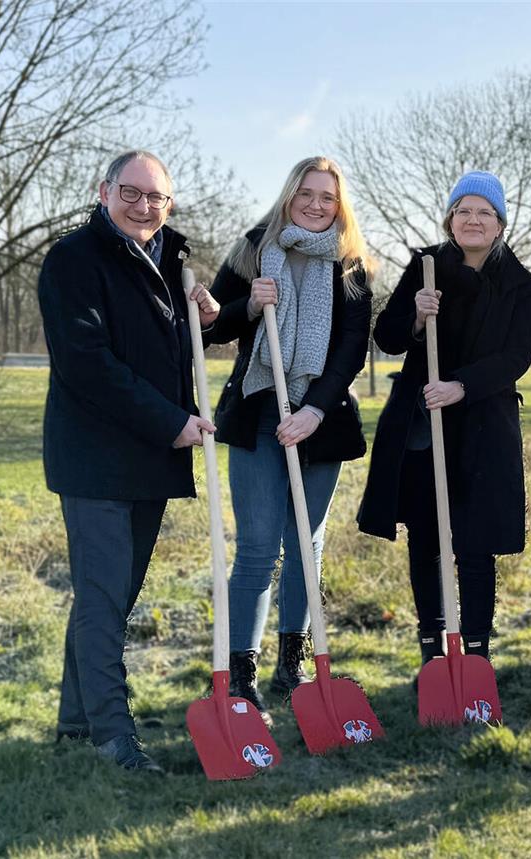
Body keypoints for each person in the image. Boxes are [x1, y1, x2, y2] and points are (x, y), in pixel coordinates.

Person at [39, 150, 219, 773]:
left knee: (110, 598)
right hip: (95, 459)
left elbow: (156, 348)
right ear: (105, 191)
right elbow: (87, 363)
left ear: (169, 203)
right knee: (103, 596)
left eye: (156, 197)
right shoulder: (73, 259)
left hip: (147, 458)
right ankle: (114, 738)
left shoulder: (171, 261)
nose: (144, 206)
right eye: (132, 193)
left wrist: (204, 322)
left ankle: (77, 721)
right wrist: (171, 422)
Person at [203, 157, 373, 724]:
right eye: (306, 193)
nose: (316, 205)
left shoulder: (350, 263)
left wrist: (314, 411)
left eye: (327, 197)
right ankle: (241, 674)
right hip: (257, 413)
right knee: (257, 547)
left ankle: (291, 665)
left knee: (306, 543)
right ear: (289, 195)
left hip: (322, 421)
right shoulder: (253, 248)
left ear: (339, 204)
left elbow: (352, 347)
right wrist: (250, 305)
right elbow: (214, 326)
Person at [357, 171, 531, 674]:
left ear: (499, 224)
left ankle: (476, 655)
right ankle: (433, 651)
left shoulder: (519, 283)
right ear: (450, 219)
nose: (472, 220)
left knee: (476, 544)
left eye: (484, 212)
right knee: (427, 540)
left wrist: (461, 386)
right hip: (425, 428)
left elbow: (517, 356)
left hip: (483, 428)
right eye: (464, 211)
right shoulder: (426, 267)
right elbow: (387, 337)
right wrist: (416, 316)